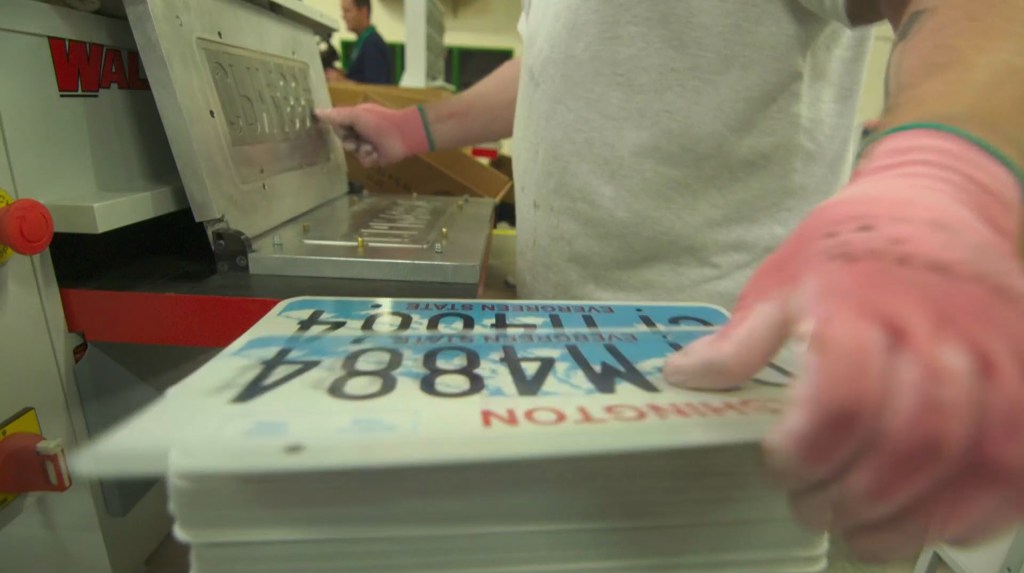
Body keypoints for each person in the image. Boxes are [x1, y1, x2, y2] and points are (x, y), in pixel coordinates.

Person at [315, 0, 1024, 562]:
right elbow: (561, 62)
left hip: (719, 379)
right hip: (560, 356)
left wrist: (947, 175)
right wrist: (415, 128)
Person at [338, 0, 392, 85]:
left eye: (347, 11)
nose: (343, 17)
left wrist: (341, 81)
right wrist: (344, 75)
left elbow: (375, 87)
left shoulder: (372, 45)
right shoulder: (364, 42)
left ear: (363, 11)